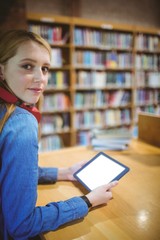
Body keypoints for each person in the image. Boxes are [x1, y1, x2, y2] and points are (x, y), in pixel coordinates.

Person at [0, 29, 118, 240]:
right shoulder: (21, 122)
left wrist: (62, 173)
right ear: (2, 70)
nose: (40, 79)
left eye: (45, 68)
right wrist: (87, 201)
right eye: (27, 66)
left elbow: (7, 172)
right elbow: (21, 226)